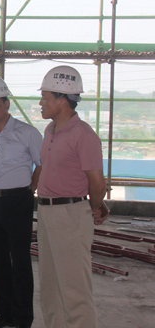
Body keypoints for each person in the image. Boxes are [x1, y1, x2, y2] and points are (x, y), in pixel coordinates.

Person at [36, 66, 109, 328]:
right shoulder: (50, 130)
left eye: (44, 97)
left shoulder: (83, 135)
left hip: (70, 214)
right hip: (46, 211)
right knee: (50, 286)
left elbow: (97, 184)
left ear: (61, 100)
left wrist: (96, 207)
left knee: (74, 288)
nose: (41, 103)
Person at [0, 76, 42, 328]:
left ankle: (23, 319)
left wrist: (29, 191)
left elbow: (41, 165)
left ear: (6, 103)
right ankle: (4, 314)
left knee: (20, 261)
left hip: (18, 201)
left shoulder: (28, 133)